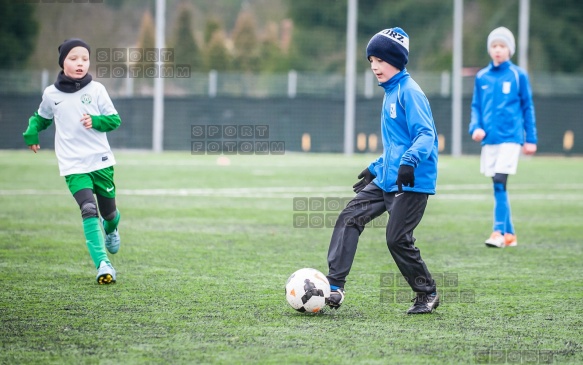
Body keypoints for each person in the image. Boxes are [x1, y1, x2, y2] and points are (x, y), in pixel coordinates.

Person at [325, 27, 440, 314]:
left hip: (410, 181)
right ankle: (335, 286)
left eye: (380, 60)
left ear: (397, 60)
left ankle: (427, 293)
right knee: (350, 216)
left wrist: (409, 163)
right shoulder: (390, 92)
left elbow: (425, 135)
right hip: (388, 178)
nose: (374, 66)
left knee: (397, 239)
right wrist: (376, 168)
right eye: (371, 61)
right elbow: (395, 145)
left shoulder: (410, 92)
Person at [23, 38, 122, 284]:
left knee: (109, 214)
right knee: (88, 209)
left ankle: (111, 228)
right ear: (62, 62)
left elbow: (114, 120)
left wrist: (96, 121)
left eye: (85, 59)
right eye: (74, 58)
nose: (80, 63)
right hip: (73, 165)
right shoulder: (51, 94)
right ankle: (103, 264)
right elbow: (41, 117)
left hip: (100, 162)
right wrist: (32, 131)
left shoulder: (97, 90)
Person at [469, 27, 537, 248]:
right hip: (490, 140)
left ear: (510, 50)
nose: (498, 50)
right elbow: (476, 107)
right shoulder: (481, 77)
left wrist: (531, 139)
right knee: (498, 186)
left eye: (502, 46)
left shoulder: (518, 75)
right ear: (490, 49)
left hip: (511, 138)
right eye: (494, 46)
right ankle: (511, 235)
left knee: (499, 181)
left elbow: (528, 108)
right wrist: (475, 127)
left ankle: (498, 232)